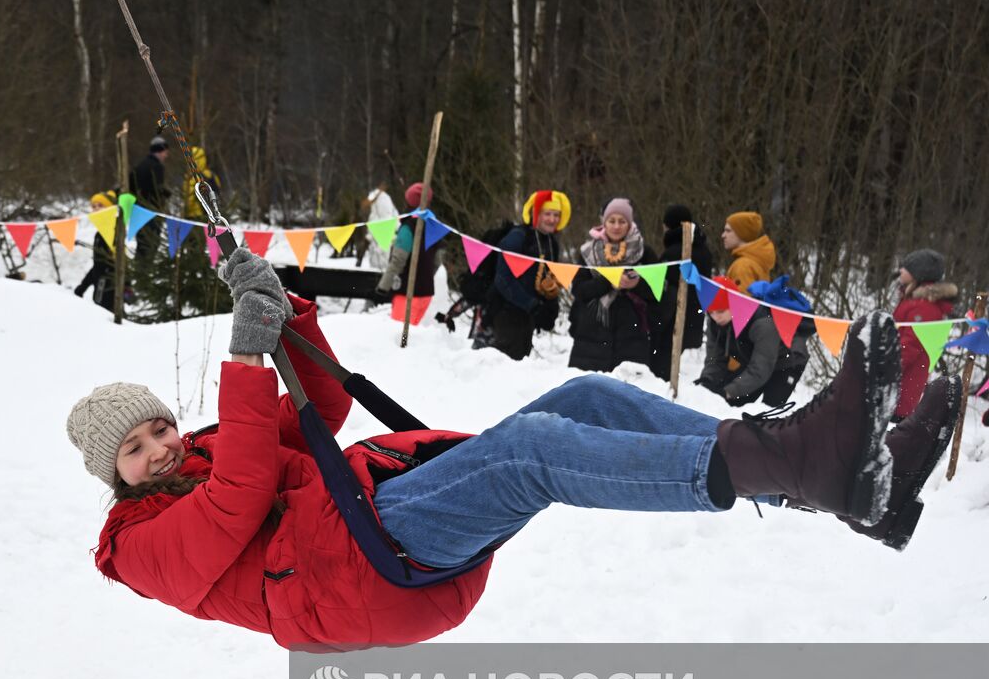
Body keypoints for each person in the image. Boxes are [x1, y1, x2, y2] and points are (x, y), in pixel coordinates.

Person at [67, 246, 952, 651]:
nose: (158, 449)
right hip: (354, 571)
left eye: (158, 429)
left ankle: (835, 477)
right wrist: (243, 357)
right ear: (116, 477)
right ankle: (808, 459)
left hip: (371, 516)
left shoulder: (218, 443)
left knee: (591, 395)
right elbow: (240, 501)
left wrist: (282, 313)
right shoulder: (140, 548)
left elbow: (324, 405)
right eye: (136, 452)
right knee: (532, 450)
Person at [568, 197, 658, 372]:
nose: (616, 226)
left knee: (627, 392)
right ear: (604, 223)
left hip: (632, 337)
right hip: (591, 337)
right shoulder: (588, 251)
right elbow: (579, 290)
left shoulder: (645, 253)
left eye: (622, 221)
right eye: (612, 221)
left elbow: (659, 292)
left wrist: (636, 286)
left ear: (630, 224)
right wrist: (609, 281)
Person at [476, 189, 569, 359]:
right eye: (547, 214)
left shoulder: (551, 242)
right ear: (535, 213)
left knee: (522, 360)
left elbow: (550, 279)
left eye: (556, 215)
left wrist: (550, 305)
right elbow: (503, 280)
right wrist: (533, 306)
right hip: (505, 312)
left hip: (527, 316)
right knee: (503, 363)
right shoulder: (517, 238)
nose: (552, 219)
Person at [696, 275, 813, 407]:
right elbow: (715, 358)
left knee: (768, 411)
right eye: (711, 312)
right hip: (754, 358)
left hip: (787, 361)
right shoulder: (715, 322)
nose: (716, 317)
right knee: (732, 400)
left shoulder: (763, 324)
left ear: (734, 304)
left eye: (721, 311)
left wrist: (728, 392)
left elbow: (760, 370)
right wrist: (707, 381)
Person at [647, 204, 713, 379]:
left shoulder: (674, 253)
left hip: (672, 318)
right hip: (692, 317)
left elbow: (659, 286)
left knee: (661, 366)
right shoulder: (703, 249)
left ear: (668, 225)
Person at [892, 249, 958, 421]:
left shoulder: (924, 308)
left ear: (918, 274)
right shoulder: (914, 300)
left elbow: (909, 347)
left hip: (900, 389)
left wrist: (883, 368)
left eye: (906, 268)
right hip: (895, 385)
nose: (901, 270)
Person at [375, 182, 438, 324]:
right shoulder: (434, 226)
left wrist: (383, 287)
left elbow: (398, 260)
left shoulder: (408, 228)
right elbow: (438, 259)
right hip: (426, 294)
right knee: (409, 337)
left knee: (400, 338)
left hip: (408, 293)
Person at [73, 189, 118, 312]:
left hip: (109, 287)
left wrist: (127, 287)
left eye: (101, 205)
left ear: (110, 208)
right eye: (94, 206)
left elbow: (120, 260)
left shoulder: (114, 230)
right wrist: (84, 285)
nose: (96, 209)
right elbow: (98, 264)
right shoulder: (100, 233)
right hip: (100, 285)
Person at [129, 136, 170, 267]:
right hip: (151, 213)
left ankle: (139, 274)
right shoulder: (157, 167)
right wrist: (166, 194)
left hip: (137, 212)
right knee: (151, 245)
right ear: (160, 150)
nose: (166, 155)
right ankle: (145, 274)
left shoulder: (139, 166)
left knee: (141, 246)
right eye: (165, 152)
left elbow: (131, 187)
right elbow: (157, 190)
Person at [720, 211, 777, 293]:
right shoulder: (757, 259)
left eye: (728, 231)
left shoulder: (743, 265)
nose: (723, 235)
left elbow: (742, 302)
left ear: (742, 233)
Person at [181, 145, 220, 222]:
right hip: (208, 213)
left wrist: (184, 211)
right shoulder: (211, 175)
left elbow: (188, 197)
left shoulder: (192, 177)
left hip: (196, 215)